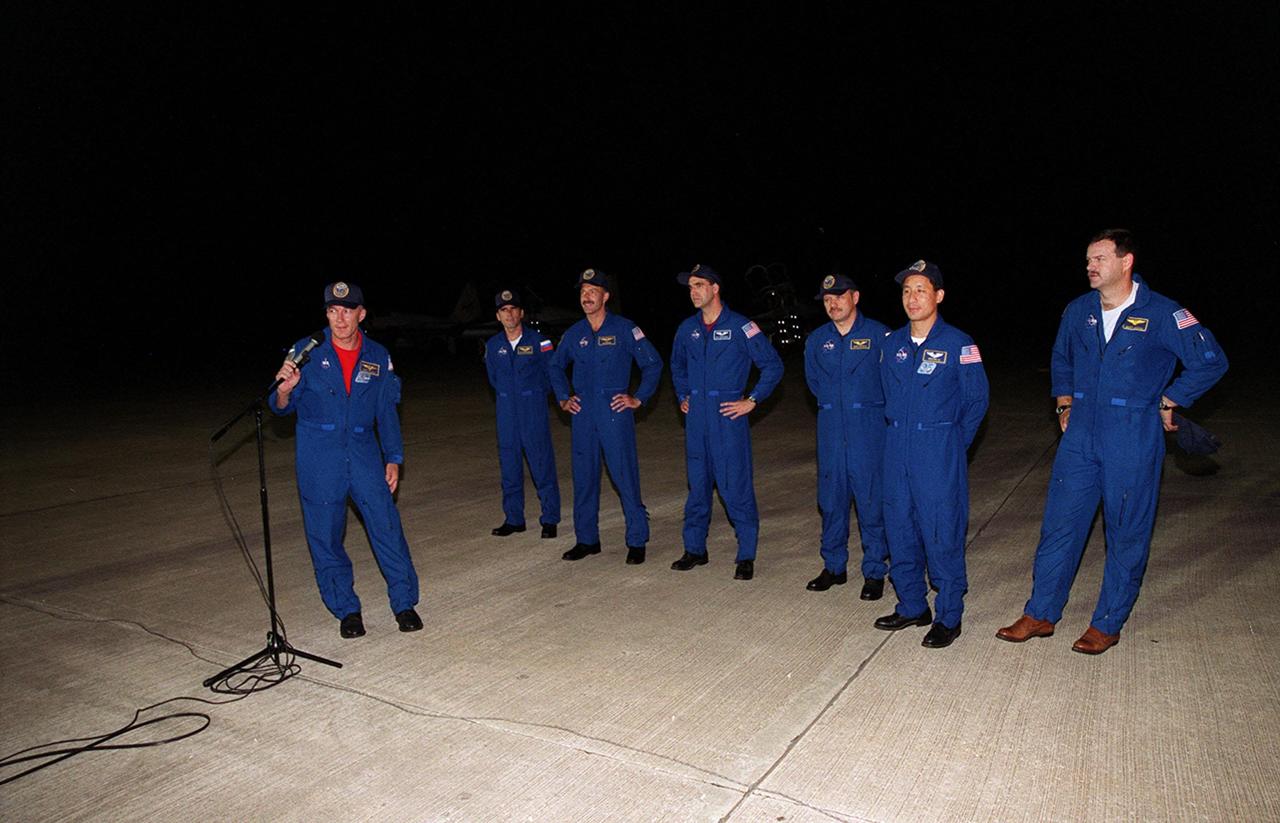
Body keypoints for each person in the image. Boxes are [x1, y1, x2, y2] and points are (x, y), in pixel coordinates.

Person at [996, 229, 1228, 654]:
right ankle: (1041, 613)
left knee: (1126, 530)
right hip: (1081, 433)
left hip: (1132, 433)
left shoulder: (1163, 312)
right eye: (1088, 259)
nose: (1090, 266)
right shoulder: (1078, 310)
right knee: (1060, 526)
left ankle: (1107, 622)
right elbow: (1061, 358)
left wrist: (1170, 399)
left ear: (1126, 262)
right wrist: (1064, 404)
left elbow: (1210, 361)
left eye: (1100, 258)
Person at [271, 281, 422, 638]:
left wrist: (393, 457)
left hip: (364, 452)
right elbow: (280, 407)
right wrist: (283, 391)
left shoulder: (377, 355)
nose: (339, 319)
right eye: (332, 311)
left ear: (361, 314)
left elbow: (387, 411)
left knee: (386, 526)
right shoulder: (307, 350)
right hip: (319, 457)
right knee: (325, 536)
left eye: (347, 311)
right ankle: (346, 610)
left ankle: (404, 603)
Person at [875, 260, 989, 648]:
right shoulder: (891, 345)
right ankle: (911, 605)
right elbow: (885, 396)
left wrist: (954, 444)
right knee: (899, 527)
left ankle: (949, 615)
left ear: (938, 296)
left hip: (938, 450)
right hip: (897, 448)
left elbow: (976, 401)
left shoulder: (959, 343)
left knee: (941, 531)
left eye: (921, 290)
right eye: (906, 291)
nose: (912, 298)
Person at [669, 264, 784, 580]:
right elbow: (677, 366)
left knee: (736, 487)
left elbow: (772, 366)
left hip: (727, 419)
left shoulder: (741, 327)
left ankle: (746, 554)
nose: (693, 292)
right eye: (690, 287)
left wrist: (752, 400)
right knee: (697, 488)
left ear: (715, 288)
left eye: (699, 285)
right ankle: (695, 549)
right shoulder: (687, 329)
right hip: (697, 422)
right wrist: (683, 394)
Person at [549, 268, 663, 564]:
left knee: (624, 475)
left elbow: (653, 364)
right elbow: (555, 366)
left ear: (606, 296)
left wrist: (639, 398)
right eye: (583, 292)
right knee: (584, 478)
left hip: (614, 413)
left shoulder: (625, 329)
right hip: (583, 415)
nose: (586, 296)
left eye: (593, 291)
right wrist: (563, 397)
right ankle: (587, 540)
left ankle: (636, 539)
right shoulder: (574, 333)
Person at [803, 273, 891, 598]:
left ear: (855, 297)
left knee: (871, 503)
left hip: (868, 433)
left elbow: (892, 382)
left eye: (839, 297)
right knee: (831, 502)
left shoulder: (880, 335)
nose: (833, 304)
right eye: (827, 300)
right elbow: (814, 383)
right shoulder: (816, 340)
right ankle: (834, 567)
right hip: (830, 432)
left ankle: (875, 571)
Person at [484, 288, 561, 539]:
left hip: (532, 411)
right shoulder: (493, 346)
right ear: (498, 316)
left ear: (521, 313)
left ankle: (550, 519)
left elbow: (551, 375)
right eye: (504, 310)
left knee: (542, 465)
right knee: (509, 467)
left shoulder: (540, 342)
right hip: (506, 413)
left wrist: (534, 396)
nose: (509, 314)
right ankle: (514, 519)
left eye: (513, 309)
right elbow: (494, 378)